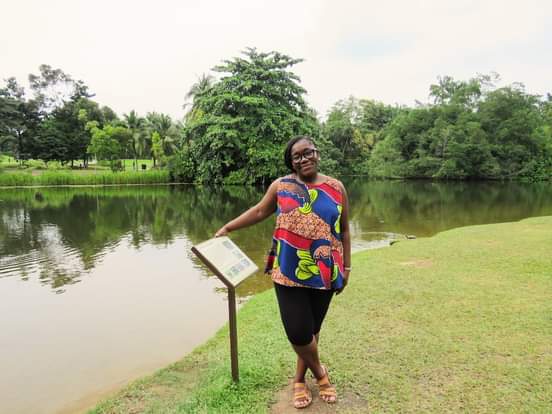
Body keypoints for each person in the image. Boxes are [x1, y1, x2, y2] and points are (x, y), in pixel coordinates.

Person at [215, 135, 351, 409]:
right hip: (288, 270)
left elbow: (345, 229)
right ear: (291, 163)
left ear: (317, 153)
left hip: (324, 270)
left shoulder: (336, 187)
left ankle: (299, 381)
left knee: (312, 330)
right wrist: (229, 227)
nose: (304, 159)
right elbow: (258, 212)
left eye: (307, 152)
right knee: (298, 332)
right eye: (297, 156)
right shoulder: (282, 186)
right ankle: (321, 374)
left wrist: (346, 266)